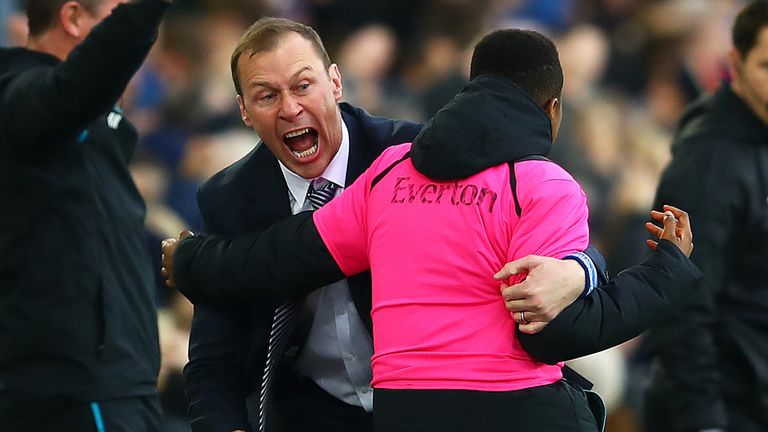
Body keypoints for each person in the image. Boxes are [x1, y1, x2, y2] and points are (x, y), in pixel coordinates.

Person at [165, 29, 702, 432]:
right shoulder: (543, 184)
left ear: (334, 81)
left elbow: (282, 257)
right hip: (488, 410)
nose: (291, 108)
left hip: (404, 410)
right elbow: (558, 334)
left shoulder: (394, 167)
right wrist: (667, 272)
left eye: (303, 85)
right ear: (553, 111)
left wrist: (578, 269)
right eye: (267, 95)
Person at [0, 0, 175, 431]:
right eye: (117, 15)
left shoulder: (98, 127)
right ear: (73, 18)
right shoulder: (20, 94)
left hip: (122, 388)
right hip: (77, 394)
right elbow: (73, 88)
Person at [643, 1, 768, 431]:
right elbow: (680, 303)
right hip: (726, 406)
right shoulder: (708, 161)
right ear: (735, 63)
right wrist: (704, 421)